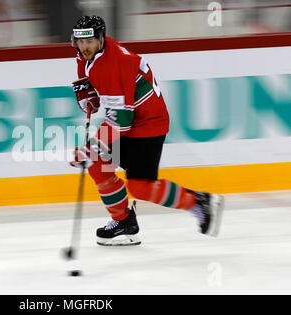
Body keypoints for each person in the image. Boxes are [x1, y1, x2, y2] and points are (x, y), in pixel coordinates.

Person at [70, 15, 224, 246]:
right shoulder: (88, 54)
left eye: (89, 41)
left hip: (148, 124)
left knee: (139, 186)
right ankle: (123, 222)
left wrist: (92, 146)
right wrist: (87, 90)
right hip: (132, 119)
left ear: (101, 39)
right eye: (80, 42)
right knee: (97, 163)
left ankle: (198, 202)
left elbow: (121, 121)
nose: (84, 47)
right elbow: (87, 71)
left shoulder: (116, 63)